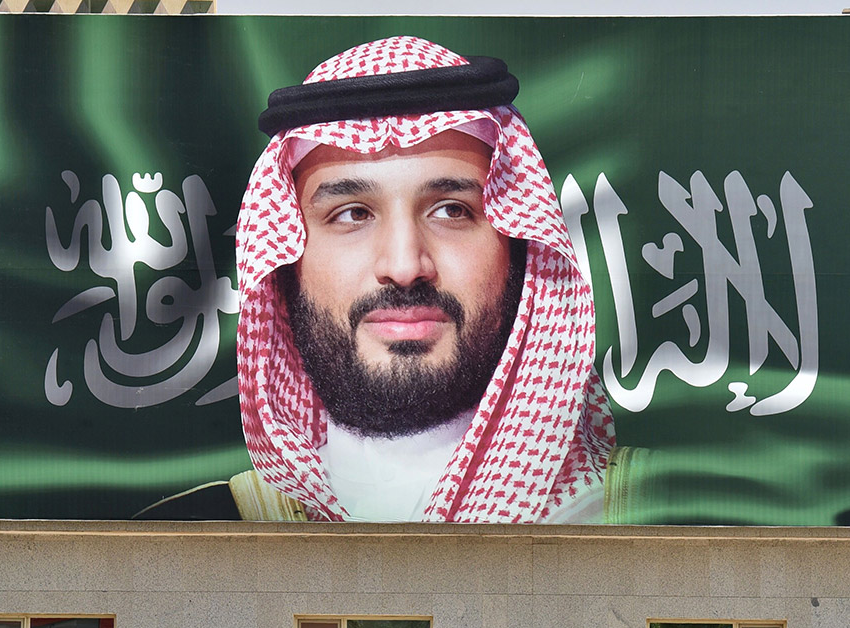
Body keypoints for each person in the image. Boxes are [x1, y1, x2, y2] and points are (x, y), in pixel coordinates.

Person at [140, 36, 619, 523]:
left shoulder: (647, 518)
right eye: (352, 214)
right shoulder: (184, 538)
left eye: (452, 211)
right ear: (284, 266)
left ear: (520, 247)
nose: (405, 266)